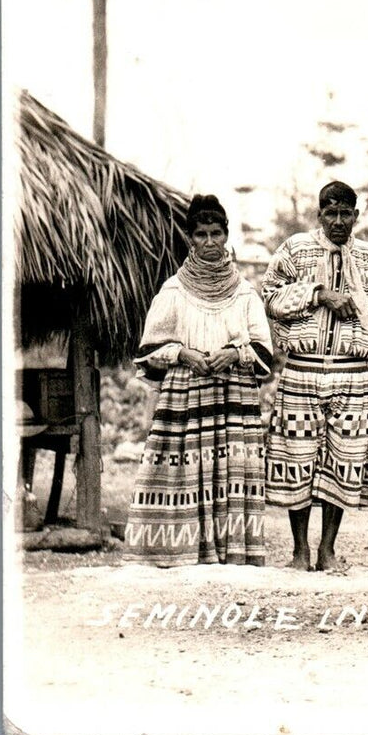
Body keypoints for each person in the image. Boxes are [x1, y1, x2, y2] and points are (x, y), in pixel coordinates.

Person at [261, 181, 368, 572]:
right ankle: (299, 550)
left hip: (352, 374)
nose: (338, 221)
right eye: (330, 213)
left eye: (346, 213)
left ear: (356, 216)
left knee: (343, 462)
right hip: (302, 370)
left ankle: (327, 549)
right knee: (296, 460)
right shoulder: (295, 250)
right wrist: (317, 294)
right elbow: (269, 298)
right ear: (319, 215)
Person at [123, 195, 273, 567]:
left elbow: (264, 351)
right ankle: (182, 549)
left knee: (231, 471)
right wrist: (182, 353)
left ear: (226, 236)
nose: (209, 242)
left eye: (216, 234)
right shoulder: (174, 290)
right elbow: (147, 349)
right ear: (190, 239)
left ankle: (231, 550)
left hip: (234, 397)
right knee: (186, 470)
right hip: (186, 396)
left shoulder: (244, 293)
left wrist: (236, 353)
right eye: (201, 235)